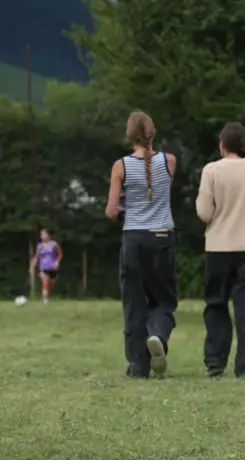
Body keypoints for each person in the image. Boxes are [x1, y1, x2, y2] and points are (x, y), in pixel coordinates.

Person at [196, 122, 245, 378]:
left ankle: (215, 360)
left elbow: (204, 212)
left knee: (216, 303)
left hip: (218, 246)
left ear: (222, 145)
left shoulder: (212, 170)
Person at [104, 111, 178, 379]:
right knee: (164, 300)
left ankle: (138, 366)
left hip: (133, 239)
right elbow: (159, 193)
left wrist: (126, 208)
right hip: (162, 237)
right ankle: (157, 334)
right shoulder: (169, 161)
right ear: (153, 133)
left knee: (134, 303)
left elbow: (111, 211)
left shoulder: (120, 166)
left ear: (129, 135)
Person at [29, 228, 63, 305]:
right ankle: (45, 300)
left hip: (53, 267)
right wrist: (32, 267)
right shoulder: (39, 246)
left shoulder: (54, 244)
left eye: (44, 234)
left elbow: (60, 254)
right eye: (41, 235)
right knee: (45, 283)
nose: (42, 236)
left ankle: (45, 299)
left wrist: (57, 262)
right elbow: (36, 257)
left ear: (48, 235)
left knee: (50, 285)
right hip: (43, 267)